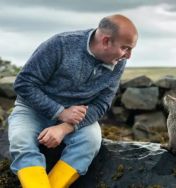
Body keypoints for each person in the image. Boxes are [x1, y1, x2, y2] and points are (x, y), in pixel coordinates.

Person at [8, 14, 138, 188]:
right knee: (21, 141)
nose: (128, 56)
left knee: (91, 141)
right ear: (106, 41)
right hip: (32, 110)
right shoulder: (60, 44)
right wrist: (60, 112)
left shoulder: (118, 62)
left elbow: (101, 105)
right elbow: (24, 84)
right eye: (125, 48)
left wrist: (64, 127)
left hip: (76, 117)